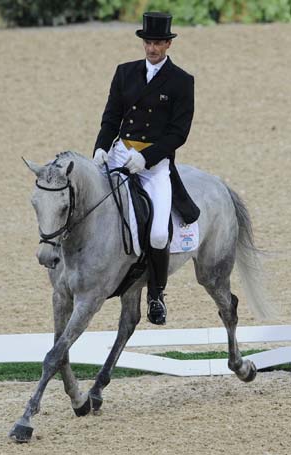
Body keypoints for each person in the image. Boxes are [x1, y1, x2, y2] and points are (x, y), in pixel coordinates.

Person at [93, 12, 199, 325]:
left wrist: (148, 157)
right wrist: (100, 148)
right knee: (85, 201)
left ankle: (155, 294)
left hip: (154, 166)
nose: (152, 48)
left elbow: (178, 133)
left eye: (158, 43)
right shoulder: (124, 73)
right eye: (148, 42)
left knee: (155, 234)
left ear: (168, 44)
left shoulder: (181, 81)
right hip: (120, 154)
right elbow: (111, 117)